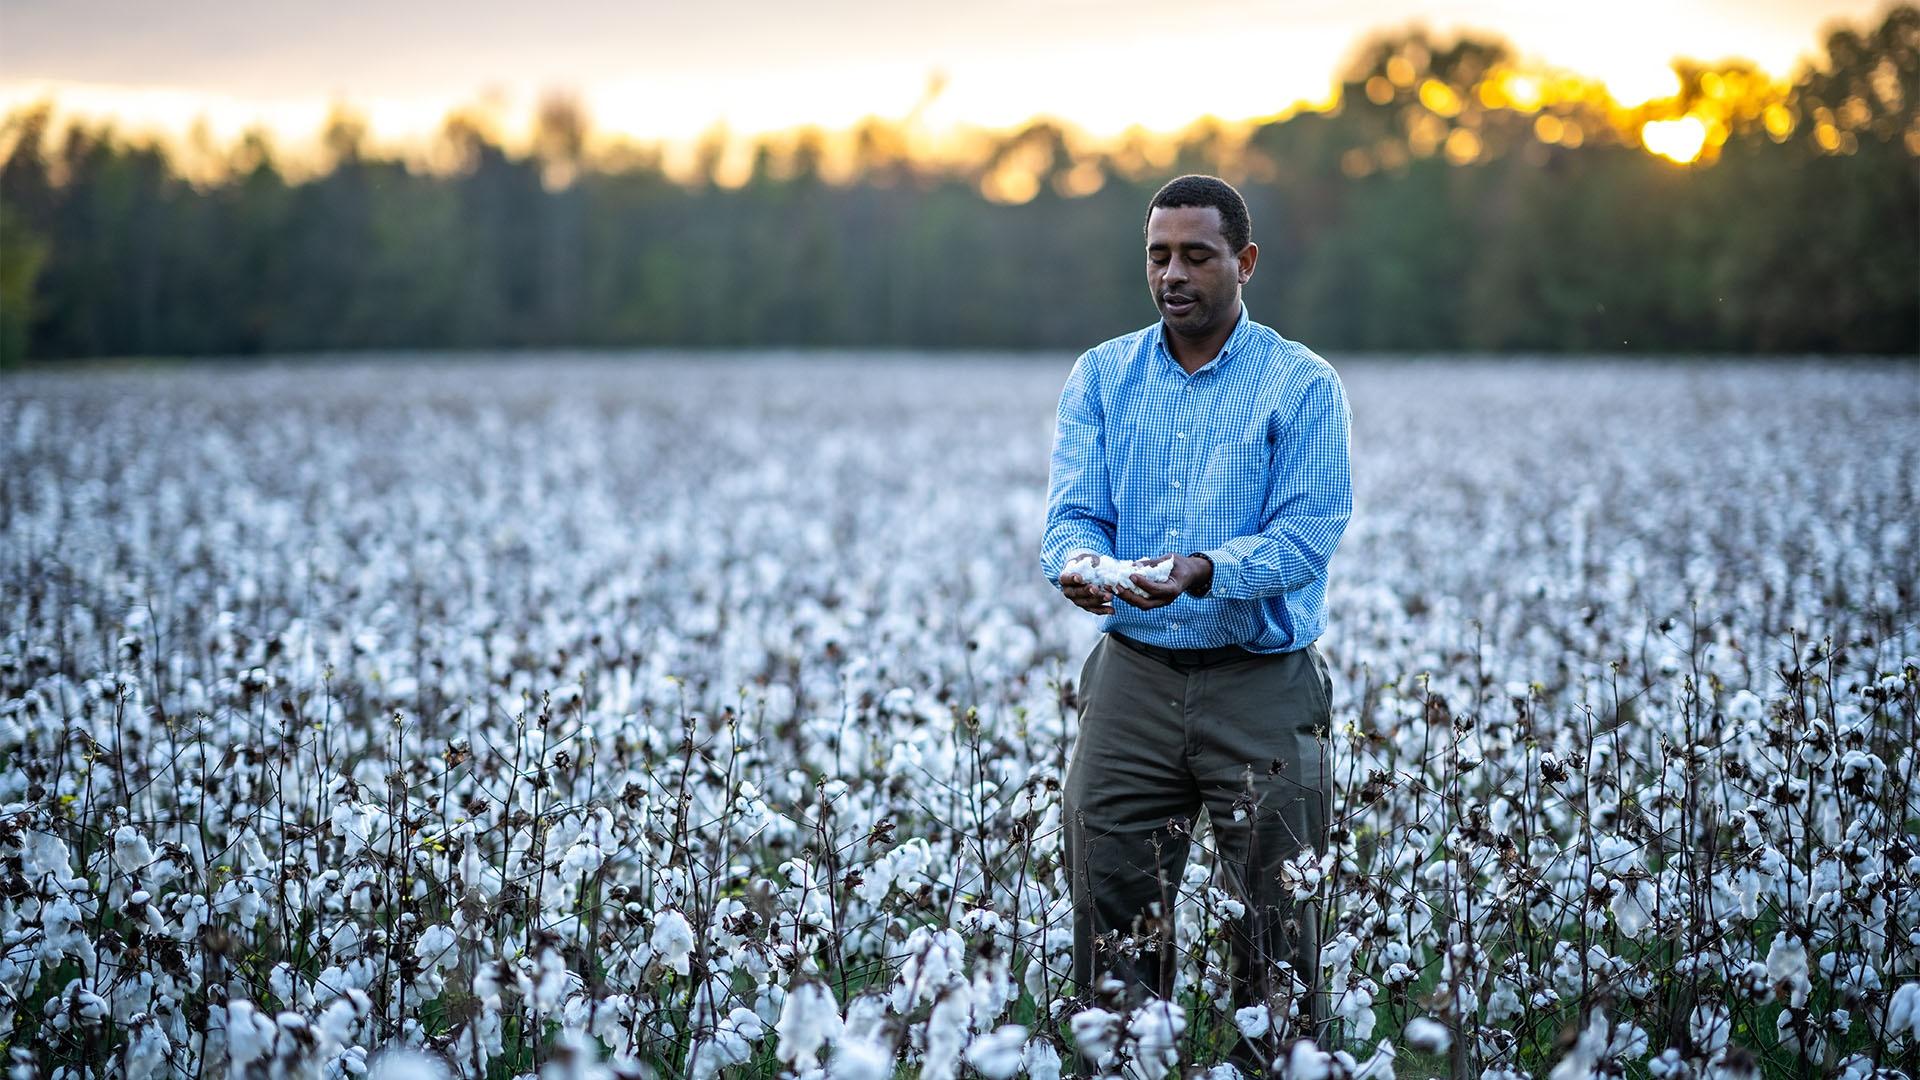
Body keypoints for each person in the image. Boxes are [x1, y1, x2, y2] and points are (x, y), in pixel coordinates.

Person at [1040, 174, 1352, 1072]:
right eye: (1158, 255)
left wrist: (1208, 571)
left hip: (1259, 685)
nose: (1173, 274)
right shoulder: (1102, 376)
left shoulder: (1301, 384)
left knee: (1278, 927)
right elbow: (1073, 514)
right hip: (1132, 681)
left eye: (1196, 255)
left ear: (1244, 263)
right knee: (1111, 918)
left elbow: (1308, 530)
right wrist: (1080, 567)